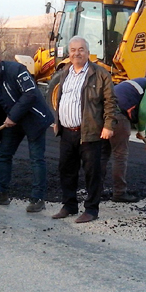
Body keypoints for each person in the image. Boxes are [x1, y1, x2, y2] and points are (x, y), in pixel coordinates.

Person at [0, 48, 53, 212]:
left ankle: (38, 199)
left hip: (33, 118)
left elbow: (30, 94)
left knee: (36, 158)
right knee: (4, 154)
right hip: (12, 122)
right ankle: (1, 194)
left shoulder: (17, 70)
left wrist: (13, 116)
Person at [50, 36, 118, 223]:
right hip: (66, 132)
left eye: (81, 49)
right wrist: (58, 120)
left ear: (88, 53)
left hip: (90, 132)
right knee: (66, 170)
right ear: (69, 53)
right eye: (73, 50)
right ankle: (69, 205)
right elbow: (61, 98)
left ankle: (91, 209)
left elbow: (111, 102)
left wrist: (108, 125)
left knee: (92, 172)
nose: (76, 53)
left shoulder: (100, 74)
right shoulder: (65, 72)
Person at [101, 70, 146, 203]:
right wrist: (141, 129)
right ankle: (119, 193)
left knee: (102, 154)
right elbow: (143, 112)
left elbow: (138, 116)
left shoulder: (134, 82)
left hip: (101, 114)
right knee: (119, 155)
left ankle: (95, 190)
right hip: (118, 116)